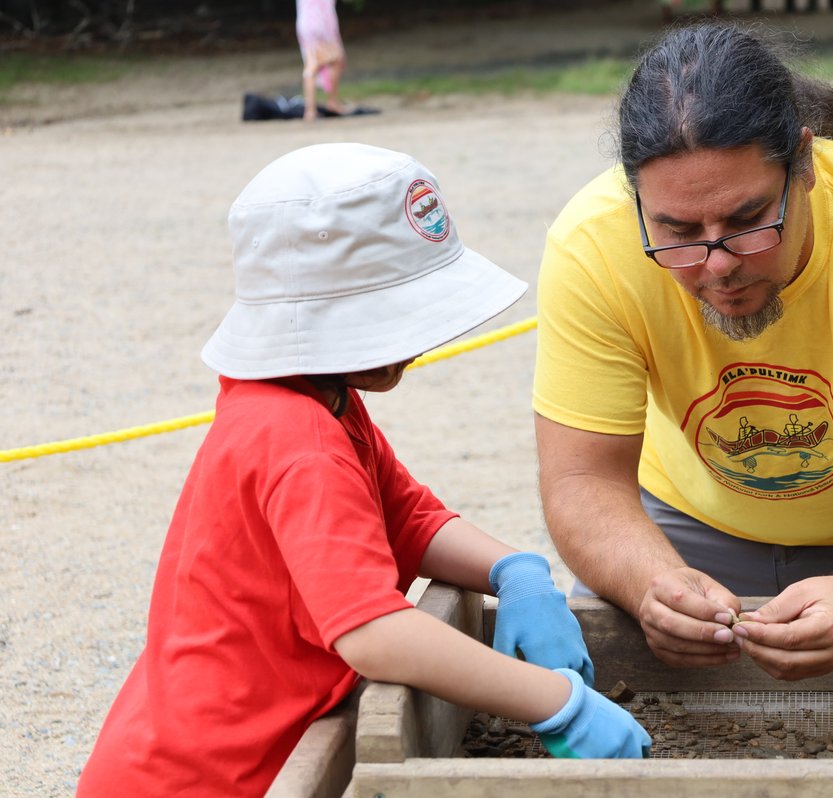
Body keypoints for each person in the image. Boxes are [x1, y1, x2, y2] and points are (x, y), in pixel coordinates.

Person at [78, 143, 650, 798]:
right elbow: (374, 634)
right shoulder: (299, 442)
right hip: (205, 777)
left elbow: (408, 519)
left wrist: (514, 571)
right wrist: (554, 702)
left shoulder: (318, 401)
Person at [532, 22, 833, 682]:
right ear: (635, 198)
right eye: (677, 231)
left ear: (806, 163)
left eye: (747, 220)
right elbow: (583, 482)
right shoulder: (592, 244)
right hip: (680, 531)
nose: (717, 264)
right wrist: (652, 582)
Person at [296, 0, 348, 121]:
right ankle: (331, 102)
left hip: (305, 23)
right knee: (336, 58)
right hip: (322, 22)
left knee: (312, 64)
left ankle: (311, 110)